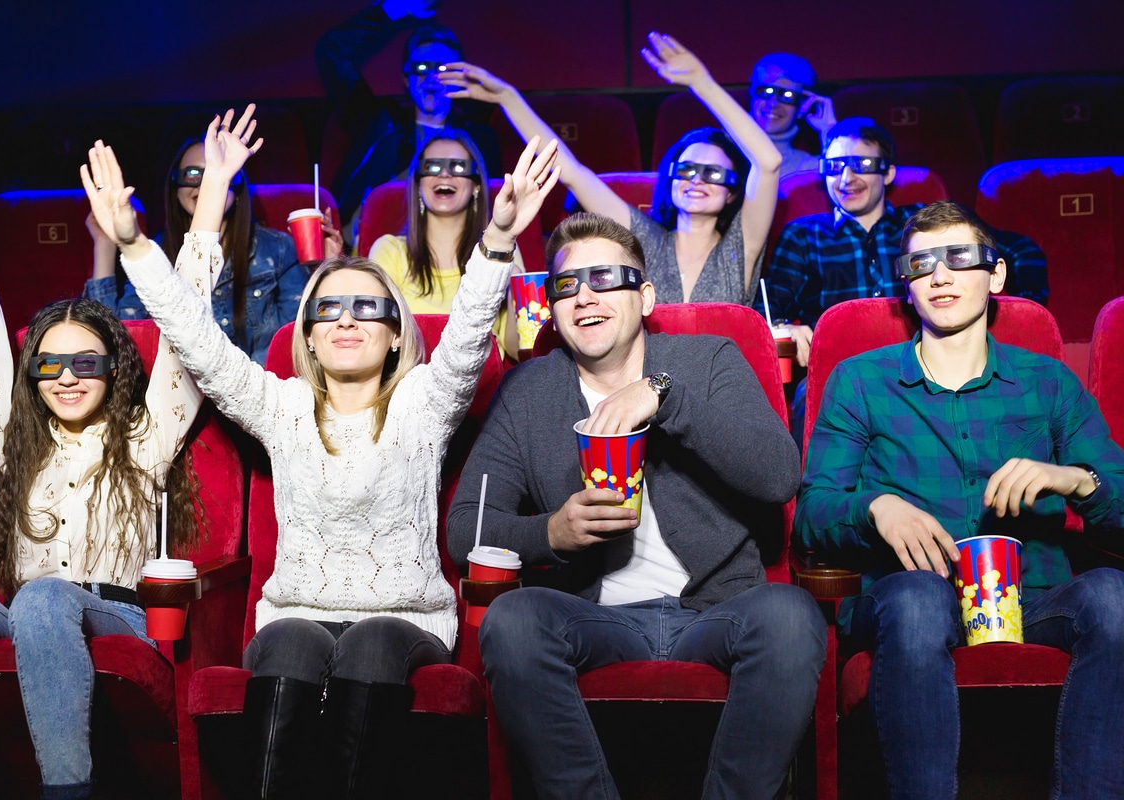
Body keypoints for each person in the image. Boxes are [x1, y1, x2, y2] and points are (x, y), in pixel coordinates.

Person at [87, 102, 560, 797]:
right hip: (298, 613)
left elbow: (465, 343)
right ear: (305, 335)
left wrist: (494, 241)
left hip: (404, 622)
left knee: (369, 641)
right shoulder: (279, 406)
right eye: (328, 309)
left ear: (397, 333)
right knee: (286, 641)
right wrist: (133, 247)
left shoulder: (423, 404)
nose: (346, 320)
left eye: (368, 308)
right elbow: (197, 341)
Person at [446, 212, 826, 799]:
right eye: (567, 285)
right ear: (551, 307)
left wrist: (664, 398)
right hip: (598, 619)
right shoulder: (530, 392)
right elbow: (466, 523)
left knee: (792, 616)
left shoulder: (710, 360)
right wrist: (551, 532)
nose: (585, 296)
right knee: (513, 622)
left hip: (716, 612)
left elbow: (778, 476)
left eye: (606, 278)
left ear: (645, 296)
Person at [0, 110, 212, 799]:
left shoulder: (145, 437)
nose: (68, 376)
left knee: (48, 597)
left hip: (121, 612)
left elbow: (189, 333)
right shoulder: (16, 434)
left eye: (86, 361)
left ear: (114, 370)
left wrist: (213, 203)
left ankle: (67, 790)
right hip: (27, 611)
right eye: (49, 366)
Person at [795, 201, 1124, 800]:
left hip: (1036, 595)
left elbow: (1119, 504)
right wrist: (874, 507)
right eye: (921, 264)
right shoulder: (861, 381)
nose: (940, 275)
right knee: (919, 600)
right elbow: (813, 515)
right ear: (907, 284)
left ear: (994, 276)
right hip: (908, 595)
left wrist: (1075, 480)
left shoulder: (1046, 381)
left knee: (1112, 595)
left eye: (959, 259)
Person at [442, 31, 782, 306]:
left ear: (733, 191)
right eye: (687, 169)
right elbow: (571, 171)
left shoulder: (742, 243)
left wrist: (703, 84)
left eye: (714, 174)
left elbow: (768, 163)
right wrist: (508, 98)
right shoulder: (646, 239)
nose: (697, 180)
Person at [761, 117, 1048, 370]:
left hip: (920, 369)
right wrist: (782, 327)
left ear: (888, 173)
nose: (846, 178)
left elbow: (1020, 250)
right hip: (832, 371)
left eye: (862, 164)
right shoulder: (802, 234)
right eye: (834, 167)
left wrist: (1016, 316)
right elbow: (768, 309)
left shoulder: (923, 224)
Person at [84, 134, 319, 364]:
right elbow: (114, 336)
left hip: (260, 391)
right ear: (175, 188)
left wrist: (321, 267)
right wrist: (105, 243)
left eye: (217, 174)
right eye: (193, 174)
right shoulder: (157, 254)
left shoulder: (275, 249)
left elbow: (298, 338)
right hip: (184, 396)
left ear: (236, 187)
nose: (206, 184)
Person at [316, 0, 502, 244]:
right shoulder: (376, 122)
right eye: (421, 68)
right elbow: (332, 50)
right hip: (366, 248)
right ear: (406, 78)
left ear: (459, 77)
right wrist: (391, 10)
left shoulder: (479, 139)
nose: (431, 78)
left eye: (443, 69)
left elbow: (494, 210)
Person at [368, 127, 523, 359]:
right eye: (432, 167)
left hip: (483, 390)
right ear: (419, 184)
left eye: (458, 167)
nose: (444, 174)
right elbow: (375, 341)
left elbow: (521, 351)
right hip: (409, 387)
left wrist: (513, 280)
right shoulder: (389, 251)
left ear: (476, 186)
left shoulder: (499, 250)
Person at [748, 52, 836, 178]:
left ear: (803, 106)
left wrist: (828, 129)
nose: (773, 103)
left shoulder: (808, 169)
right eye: (766, 91)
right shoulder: (719, 151)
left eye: (787, 96)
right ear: (752, 95)